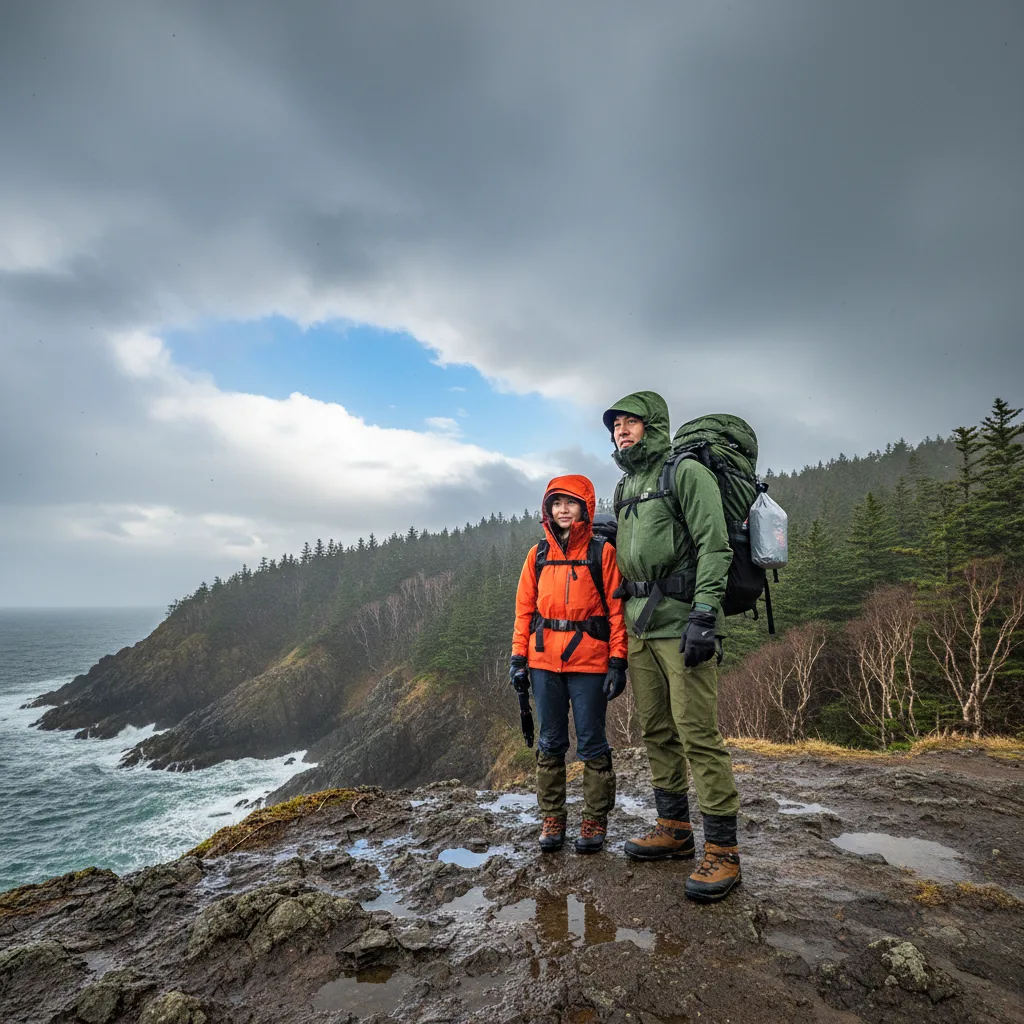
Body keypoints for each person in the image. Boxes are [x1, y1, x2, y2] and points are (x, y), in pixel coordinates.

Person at [602, 391, 742, 903]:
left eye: (631, 422)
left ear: (654, 425)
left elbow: (714, 545)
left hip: (682, 622)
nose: (621, 430)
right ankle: (675, 828)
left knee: (696, 732)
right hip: (639, 625)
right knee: (657, 729)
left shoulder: (685, 472)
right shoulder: (625, 485)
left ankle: (724, 851)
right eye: (616, 424)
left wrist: (704, 614)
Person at [510, 474, 628, 854]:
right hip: (543, 661)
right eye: (557, 503)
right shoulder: (537, 555)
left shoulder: (601, 553)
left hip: (590, 663)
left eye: (571, 503)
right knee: (550, 742)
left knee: (592, 742)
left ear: (585, 507)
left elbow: (616, 612)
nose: (563, 510)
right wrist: (518, 658)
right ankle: (553, 818)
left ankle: (594, 819)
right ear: (548, 509)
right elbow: (524, 612)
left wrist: (618, 660)